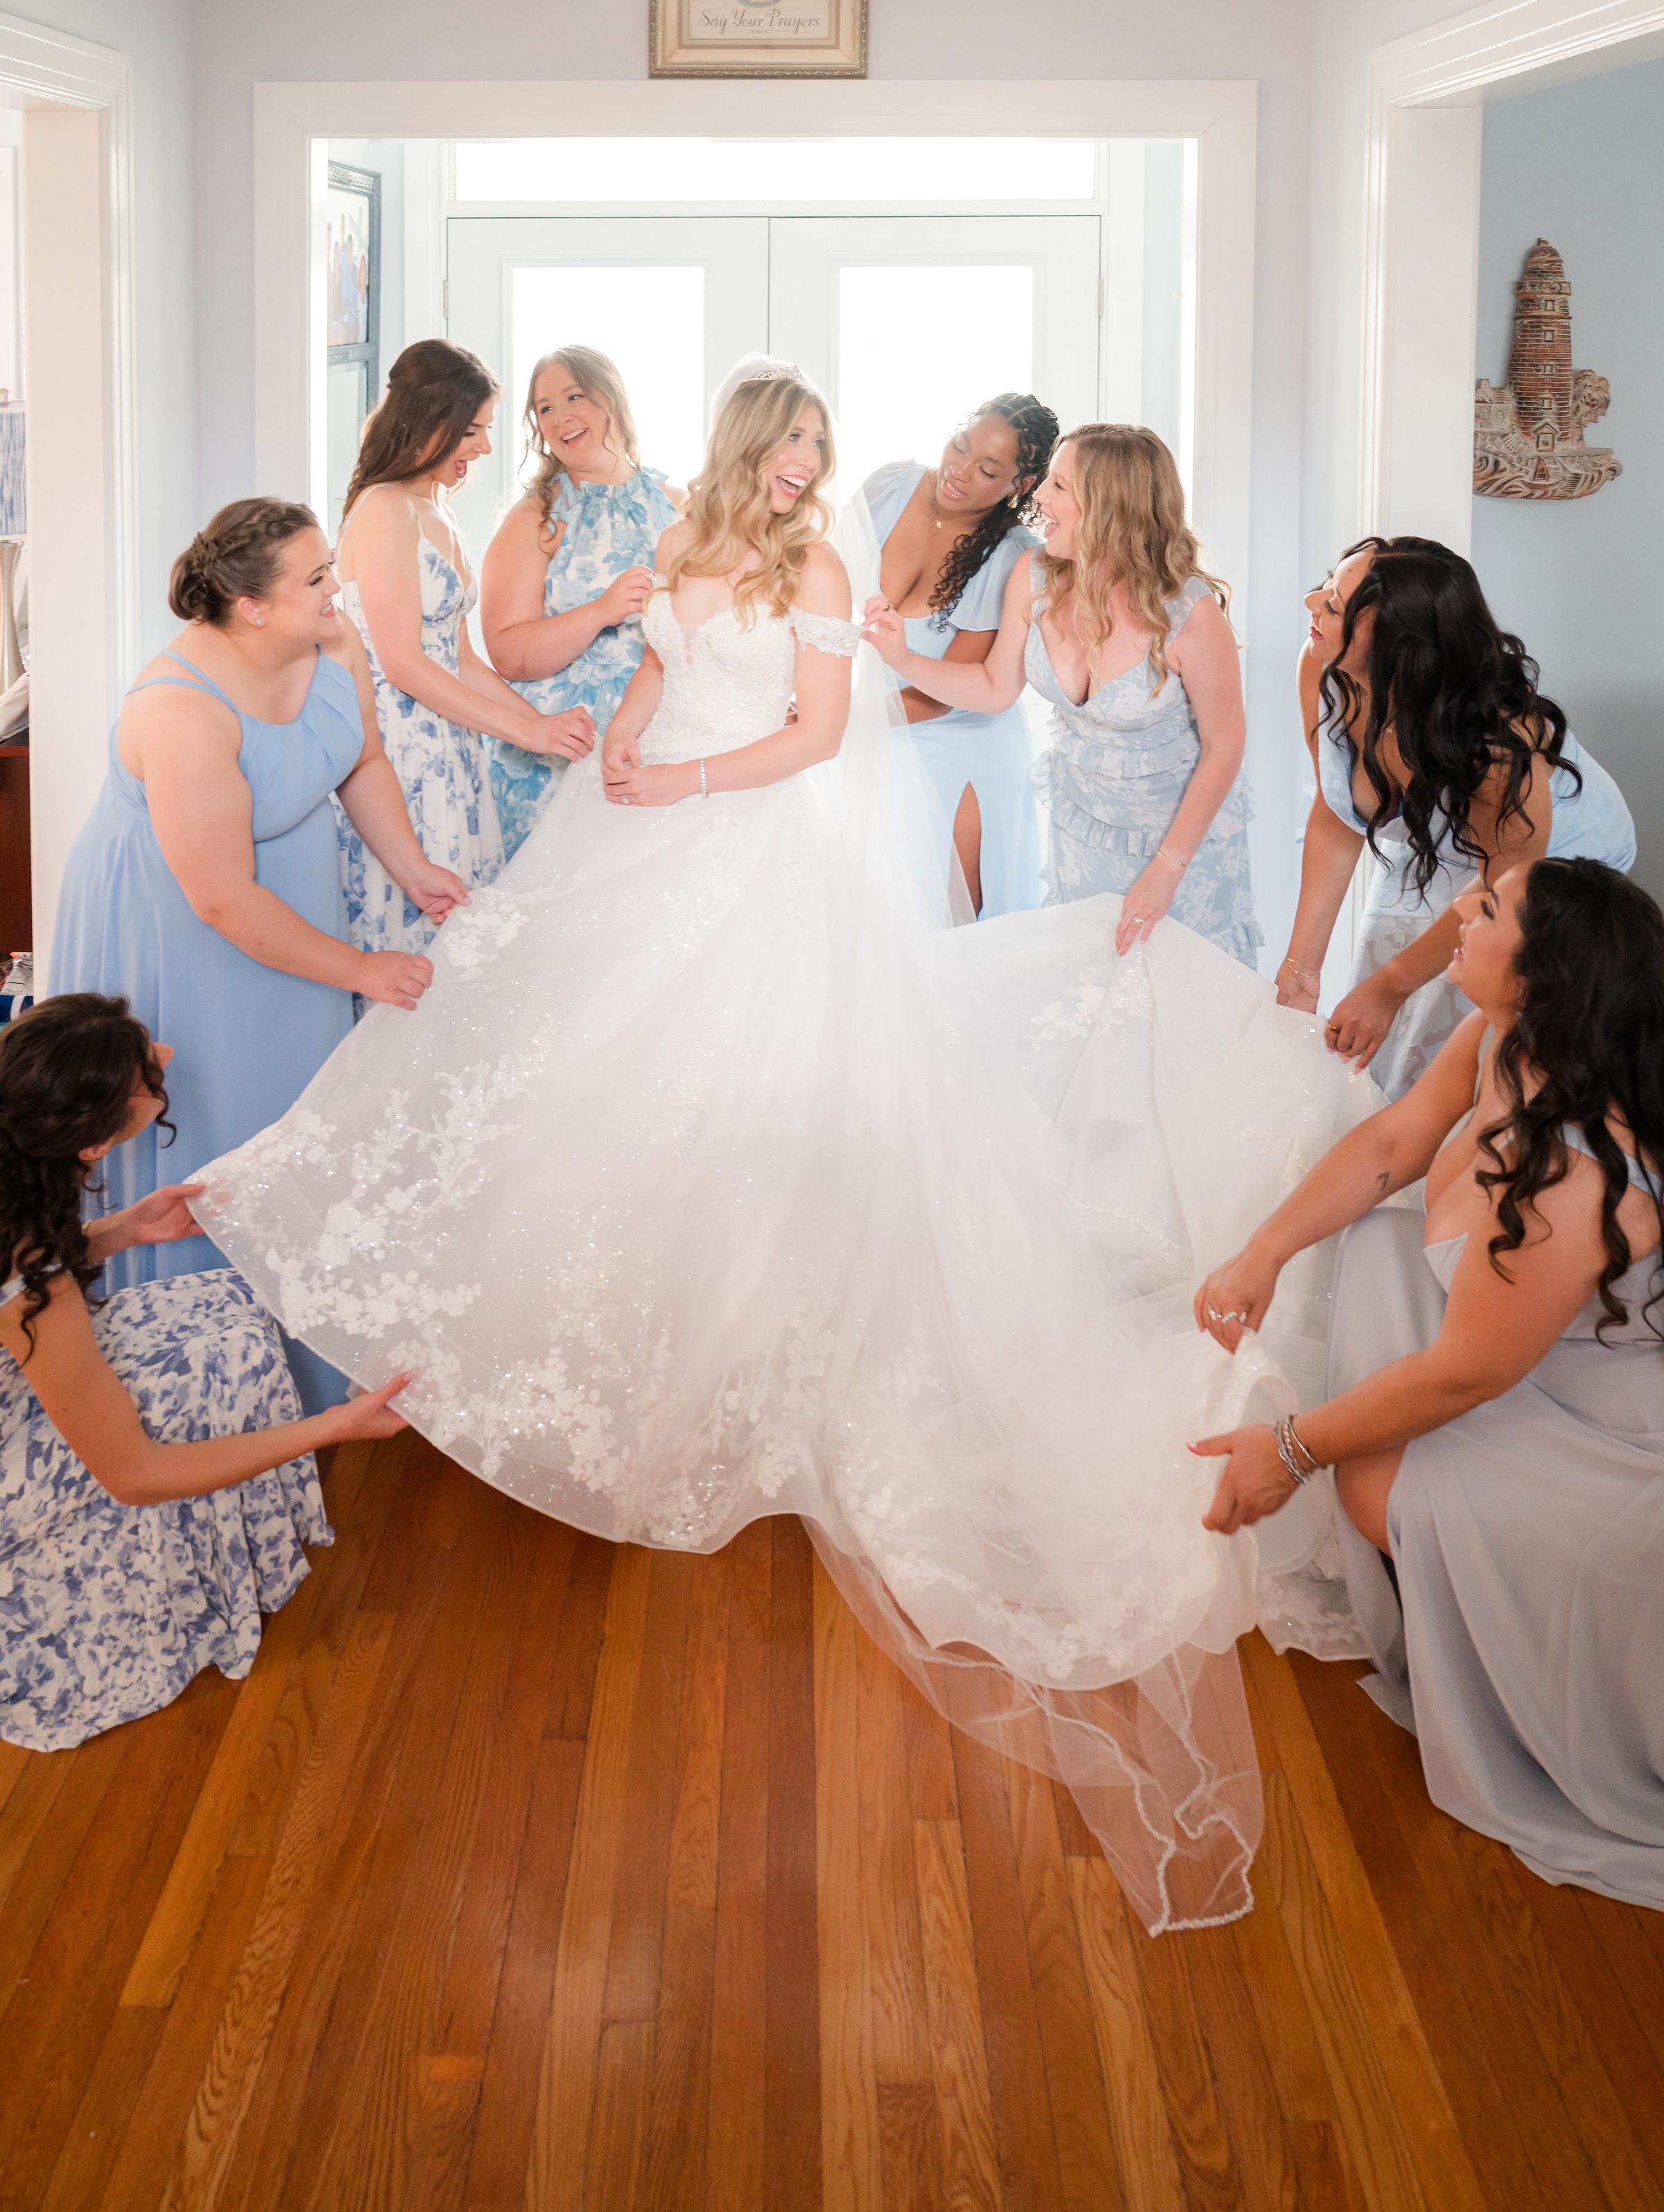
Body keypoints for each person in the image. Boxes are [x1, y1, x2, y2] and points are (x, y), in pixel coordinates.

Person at [194, 362, 1376, 1938]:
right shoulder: (682, 556)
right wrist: (622, 741)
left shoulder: (820, 568)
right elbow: (649, 669)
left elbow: (818, 735)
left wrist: (678, 771)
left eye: (821, 443)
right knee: (569, 1090)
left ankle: (744, 1355)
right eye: (794, 439)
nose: (808, 464)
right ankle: (609, 1343)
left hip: (745, 856)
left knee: (737, 1108)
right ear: (750, 447)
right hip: (631, 834)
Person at [1193, 856, 1664, 1910]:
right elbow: (1397, 1142)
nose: (1462, 906)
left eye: (1489, 908)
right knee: (1364, 1248)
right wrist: (1261, 1249)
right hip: (1529, 1357)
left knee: (1365, 1481)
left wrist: (1290, 1446)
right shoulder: (1506, 1034)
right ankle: (1464, 1613)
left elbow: (1464, 1373)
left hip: (1609, 1428)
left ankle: (1536, 1671)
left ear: (1541, 976)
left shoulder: (1572, 1177)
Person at [48, 497, 466, 1312]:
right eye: (315, 577)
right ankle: (197, 1338)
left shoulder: (331, 639)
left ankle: (299, 1331)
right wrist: (362, 969)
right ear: (252, 605)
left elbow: (362, 757)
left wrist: (413, 868)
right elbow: (225, 901)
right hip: (186, 925)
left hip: (289, 908)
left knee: (295, 1117)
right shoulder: (179, 711)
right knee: (215, 1124)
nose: (335, 587)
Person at [0, 993, 408, 1751]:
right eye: (146, 1071)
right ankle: (140, 1599)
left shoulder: (16, 1189)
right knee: (211, 1366)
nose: (168, 1057)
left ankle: (209, 1564)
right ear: (89, 1145)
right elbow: (135, 1473)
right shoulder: (36, 1282)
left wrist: (120, 1230)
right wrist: (335, 1425)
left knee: (226, 1314)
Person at [866, 423, 1258, 964]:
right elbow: (994, 687)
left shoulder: (1188, 613)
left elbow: (1225, 746)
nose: (1040, 497)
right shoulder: (1036, 576)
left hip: (1177, 847)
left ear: (1110, 504)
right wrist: (903, 658)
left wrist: (1168, 869)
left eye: (1059, 486)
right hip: (1081, 837)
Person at [1274, 536, 1634, 1097]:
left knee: (1461, 1043)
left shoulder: (1496, 748)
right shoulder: (1326, 668)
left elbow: (1499, 882)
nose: (1309, 602)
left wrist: (1392, 986)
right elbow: (1338, 810)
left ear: (1398, 647)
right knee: (1374, 1037)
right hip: (1438, 844)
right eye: (1327, 584)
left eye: (1335, 604)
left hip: (1538, 865)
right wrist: (1302, 968)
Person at [335, 340, 592, 949]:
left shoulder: (436, 509)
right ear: (430, 423)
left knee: (465, 941)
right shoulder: (383, 508)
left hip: (450, 749)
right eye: (473, 430)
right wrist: (525, 735)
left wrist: (545, 725)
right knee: (414, 939)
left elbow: (463, 660)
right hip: (397, 755)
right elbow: (401, 663)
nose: (485, 447)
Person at [481, 346, 682, 860]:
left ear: (610, 400)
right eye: (544, 407)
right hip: (560, 754)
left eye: (575, 397)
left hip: (660, 739)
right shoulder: (536, 517)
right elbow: (506, 654)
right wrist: (601, 611)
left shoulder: (677, 505)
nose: (559, 417)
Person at [860, 395, 1057, 917]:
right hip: (867, 723)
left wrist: (844, 721)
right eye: (960, 446)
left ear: (1020, 486)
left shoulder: (1012, 556)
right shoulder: (890, 486)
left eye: (988, 469)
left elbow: (941, 698)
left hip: (957, 738)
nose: (959, 471)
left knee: (948, 917)